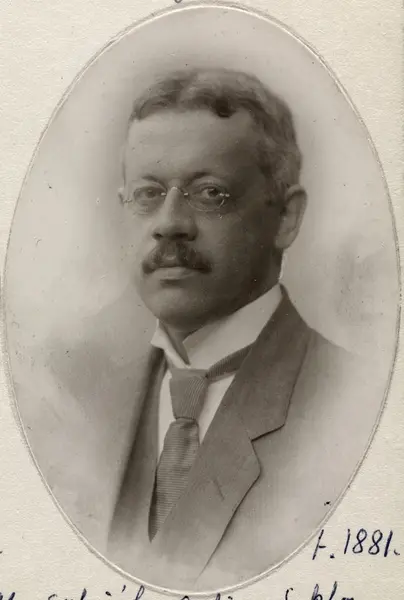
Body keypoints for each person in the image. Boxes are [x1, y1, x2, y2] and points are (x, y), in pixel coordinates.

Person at [42, 68, 379, 591]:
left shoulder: (361, 407)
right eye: (148, 194)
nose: (169, 223)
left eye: (210, 193)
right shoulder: (71, 407)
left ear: (286, 218)